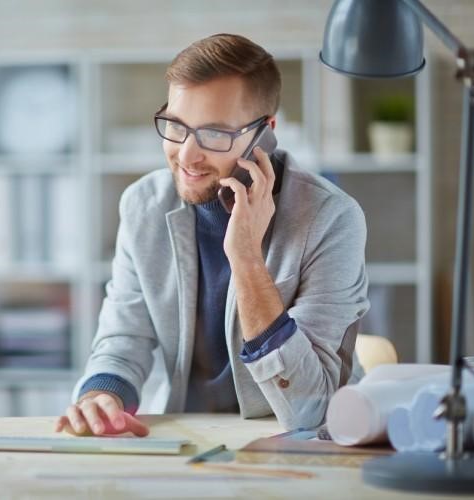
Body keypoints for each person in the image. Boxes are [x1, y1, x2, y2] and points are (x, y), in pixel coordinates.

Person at [55, 33, 369, 437]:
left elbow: (311, 408)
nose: (186, 155)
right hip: (189, 440)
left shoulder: (331, 218)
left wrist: (247, 258)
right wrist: (103, 394)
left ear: (265, 134)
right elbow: (123, 340)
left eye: (215, 134)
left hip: (301, 442)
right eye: (176, 126)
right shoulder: (143, 205)